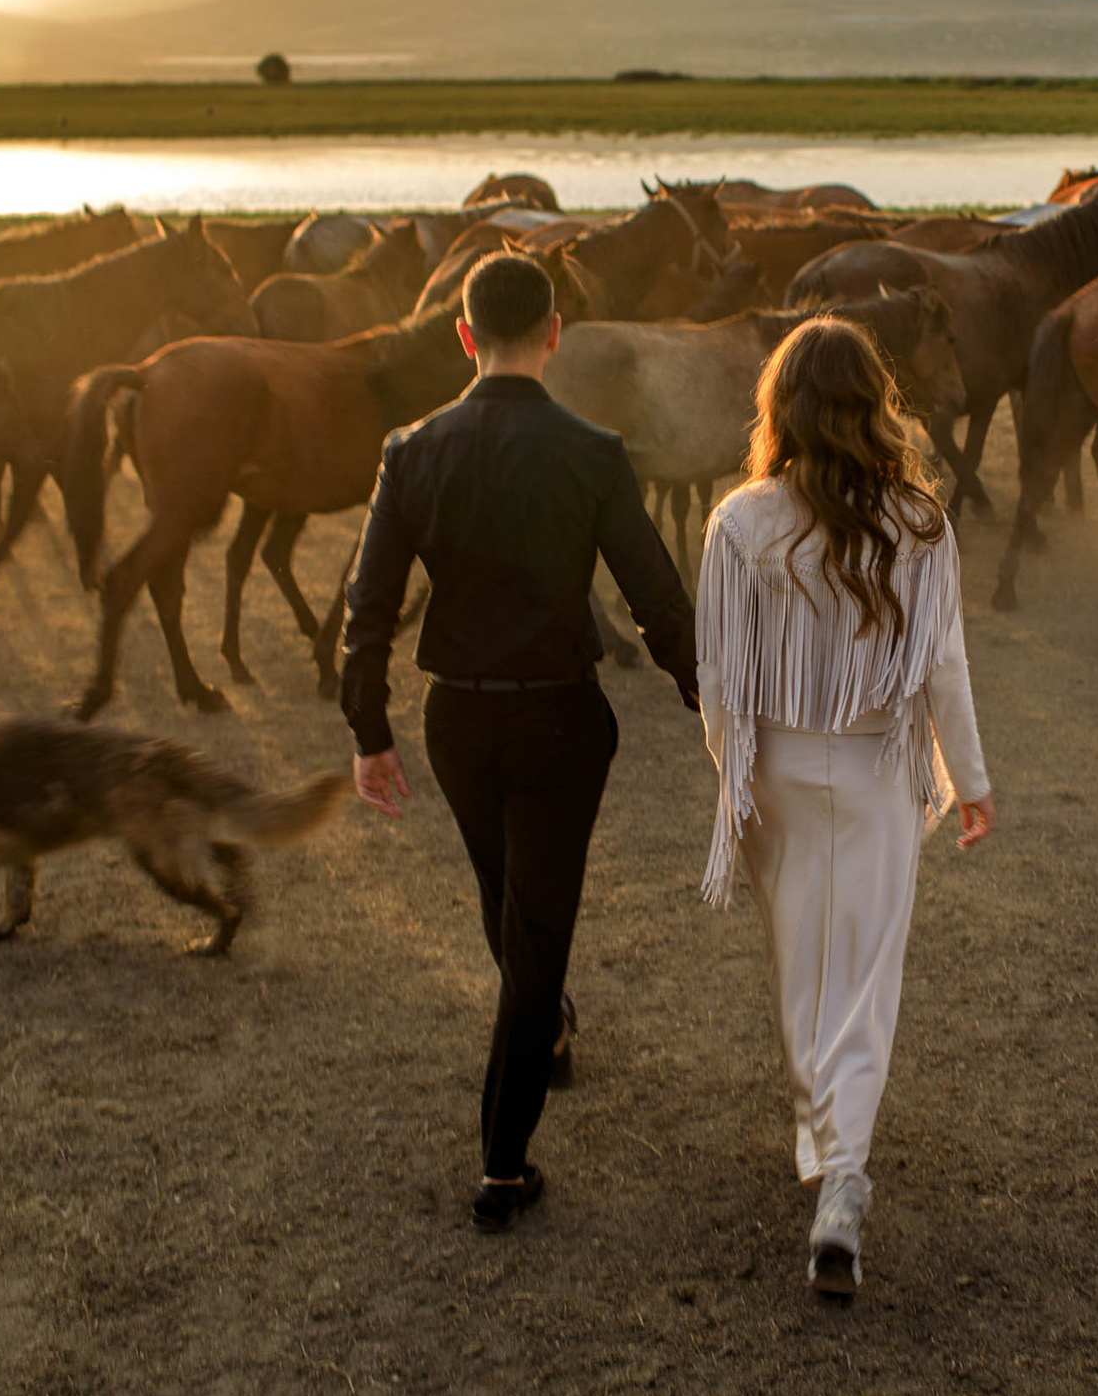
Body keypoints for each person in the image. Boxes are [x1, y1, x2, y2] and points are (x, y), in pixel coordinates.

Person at [341, 252, 697, 1234]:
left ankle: (544, 1034)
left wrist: (368, 729)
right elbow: (657, 598)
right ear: (552, 335)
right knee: (531, 925)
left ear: (464, 337)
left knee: (510, 898)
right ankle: (502, 1163)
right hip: (557, 718)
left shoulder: (410, 451)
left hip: (454, 719)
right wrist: (710, 698)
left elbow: (366, 610)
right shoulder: (591, 452)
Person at [695, 317, 994, 1298]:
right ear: (876, 405)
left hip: (777, 765)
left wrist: (735, 782)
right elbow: (942, 666)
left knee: (803, 971)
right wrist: (972, 780)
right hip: (874, 770)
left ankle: (826, 1153)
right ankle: (841, 1185)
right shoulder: (919, 522)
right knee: (864, 979)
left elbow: (721, 681)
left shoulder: (740, 522)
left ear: (777, 407)